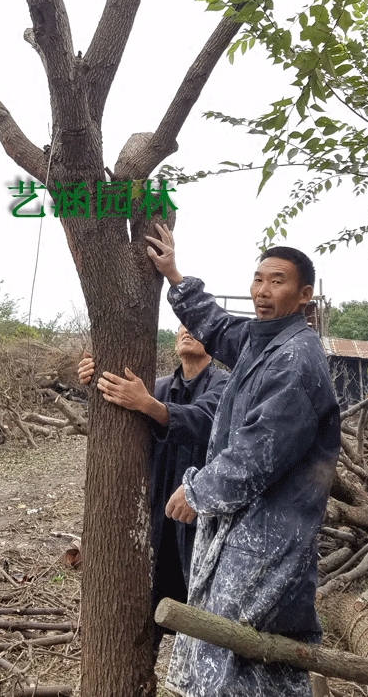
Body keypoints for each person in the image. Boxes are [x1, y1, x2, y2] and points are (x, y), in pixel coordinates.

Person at [145, 223, 340, 697]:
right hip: (247, 528)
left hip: (270, 536)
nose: (262, 291)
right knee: (253, 650)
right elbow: (216, 326)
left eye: (277, 281)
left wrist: (199, 491)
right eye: (258, 279)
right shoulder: (264, 343)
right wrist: (173, 273)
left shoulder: (296, 360)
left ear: (303, 295)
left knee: (233, 640)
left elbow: (261, 449)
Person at [77, 326, 228, 658]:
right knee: (148, 614)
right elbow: (119, 412)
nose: (187, 331)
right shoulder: (157, 387)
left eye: (196, 327)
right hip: (156, 524)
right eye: (182, 327)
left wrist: (148, 405)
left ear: (214, 341)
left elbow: (203, 420)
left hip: (200, 525)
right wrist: (95, 381)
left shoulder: (226, 387)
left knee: (204, 619)